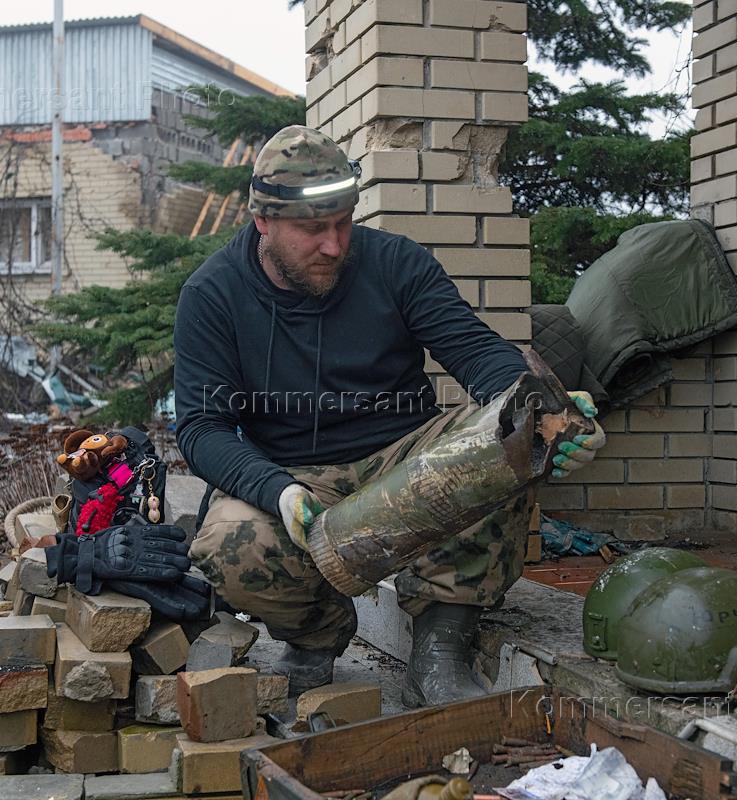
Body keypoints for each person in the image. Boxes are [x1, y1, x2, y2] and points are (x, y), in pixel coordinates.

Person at [172, 125, 605, 705]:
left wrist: (540, 409)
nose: (334, 246)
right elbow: (202, 427)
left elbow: (476, 351)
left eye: (343, 223)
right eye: (313, 230)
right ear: (263, 222)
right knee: (230, 541)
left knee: (504, 436)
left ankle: (442, 641)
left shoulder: (396, 262)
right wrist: (277, 490)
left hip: (405, 456)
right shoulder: (212, 295)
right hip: (294, 473)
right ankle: (316, 636)